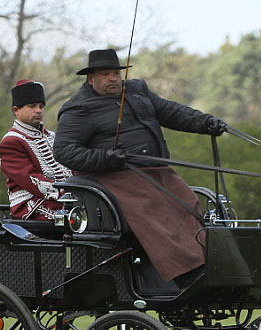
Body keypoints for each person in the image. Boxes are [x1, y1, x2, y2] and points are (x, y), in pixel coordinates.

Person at [53, 49, 227, 284]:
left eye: (116, 73)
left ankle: (207, 263)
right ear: (90, 79)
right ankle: (186, 274)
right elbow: (64, 151)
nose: (114, 78)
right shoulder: (78, 109)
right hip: (113, 176)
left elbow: (171, 112)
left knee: (187, 201)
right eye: (106, 74)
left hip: (156, 170)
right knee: (152, 206)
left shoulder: (136, 91)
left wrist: (206, 123)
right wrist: (105, 158)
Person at [0, 80, 73, 220]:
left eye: (40, 106)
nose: (38, 110)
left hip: (63, 199)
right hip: (32, 206)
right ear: (16, 111)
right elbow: (32, 180)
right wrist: (69, 193)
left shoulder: (52, 136)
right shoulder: (10, 142)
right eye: (32, 106)